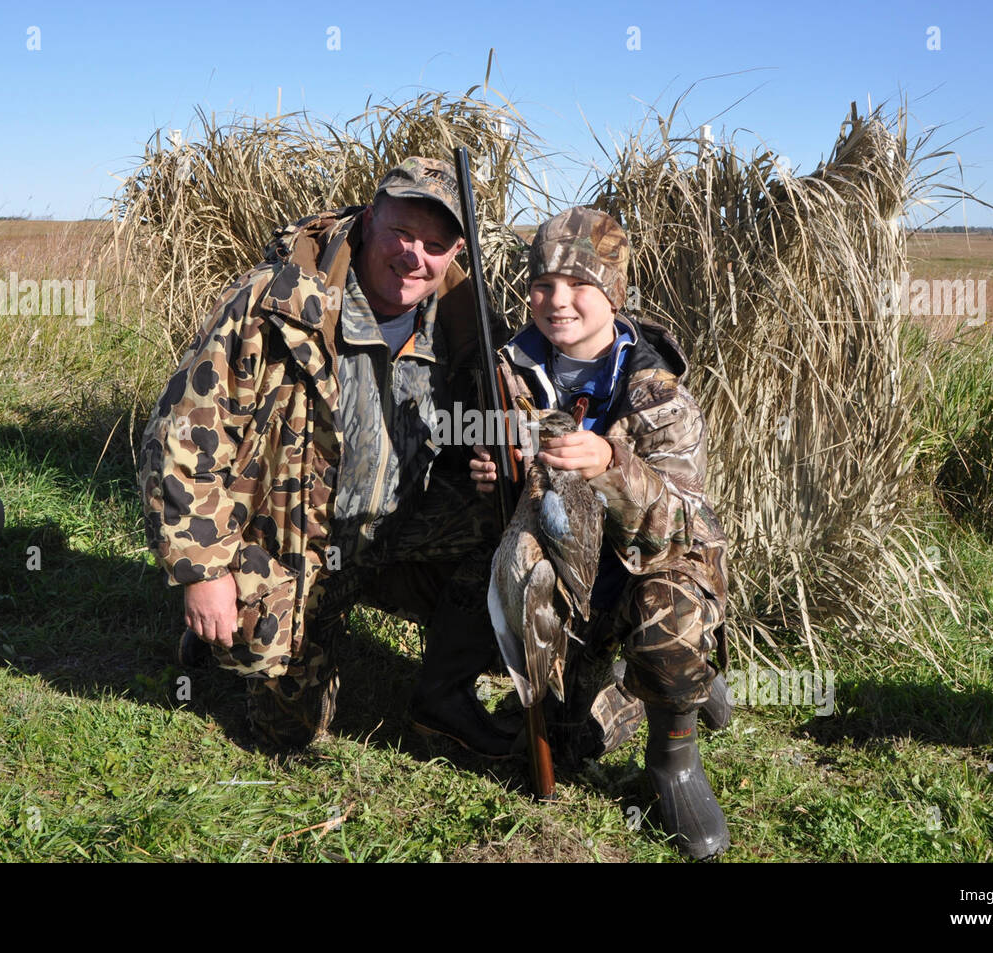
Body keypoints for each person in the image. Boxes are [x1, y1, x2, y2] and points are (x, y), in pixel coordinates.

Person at [137, 157, 514, 758]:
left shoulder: (466, 321)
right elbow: (183, 436)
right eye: (402, 232)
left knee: (514, 534)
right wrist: (201, 572)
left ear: (455, 251)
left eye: (436, 243)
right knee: (291, 737)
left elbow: (501, 412)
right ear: (368, 220)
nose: (415, 255)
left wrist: (499, 454)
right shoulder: (275, 303)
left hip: (393, 529)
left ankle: (443, 696)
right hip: (292, 543)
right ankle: (223, 622)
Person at [470, 206, 734, 859]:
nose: (558, 301)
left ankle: (675, 760)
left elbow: (685, 519)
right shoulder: (510, 366)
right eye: (543, 283)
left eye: (580, 284)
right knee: (568, 743)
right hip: (570, 573)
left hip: (651, 565)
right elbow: (508, 471)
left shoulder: (655, 387)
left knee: (668, 618)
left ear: (614, 292)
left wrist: (611, 465)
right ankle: (653, 687)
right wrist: (490, 472)